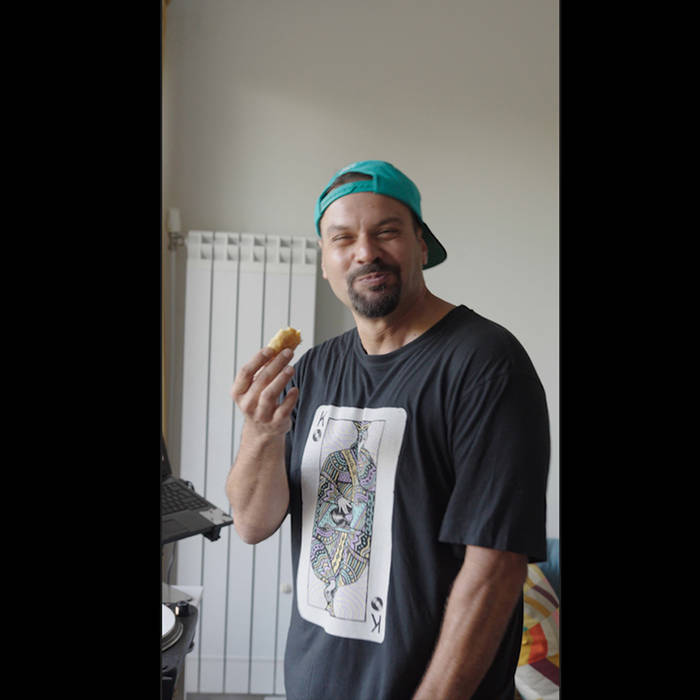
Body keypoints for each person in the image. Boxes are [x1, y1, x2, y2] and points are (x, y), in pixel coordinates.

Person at [226, 160, 550, 700]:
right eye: (342, 238)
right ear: (325, 261)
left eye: (386, 231)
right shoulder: (313, 370)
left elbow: (496, 568)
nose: (365, 252)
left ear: (421, 244)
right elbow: (251, 524)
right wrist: (260, 433)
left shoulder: (486, 365)